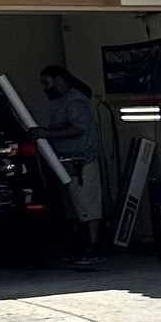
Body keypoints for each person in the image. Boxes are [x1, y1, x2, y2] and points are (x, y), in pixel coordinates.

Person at [38, 64, 105, 264]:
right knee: (74, 206)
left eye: (47, 82)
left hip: (82, 161)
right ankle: (80, 245)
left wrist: (47, 134)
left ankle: (94, 246)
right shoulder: (62, 101)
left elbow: (78, 129)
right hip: (68, 162)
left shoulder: (75, 101)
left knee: (88, 205)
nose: (45, 87)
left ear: (59, 80)